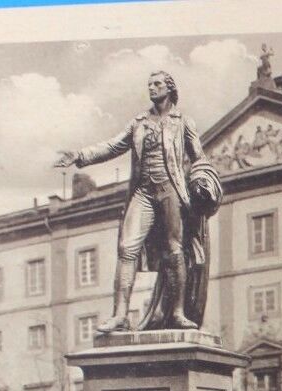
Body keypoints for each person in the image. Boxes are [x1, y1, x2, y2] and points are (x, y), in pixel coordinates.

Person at [55, 70, 222, 332]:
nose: (151, 88)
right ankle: (120, 314)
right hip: (143, 192)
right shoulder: (139, 123)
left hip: (171, 190)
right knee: (126, 248)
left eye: (157, 84)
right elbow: (112, 146)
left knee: (175, 249)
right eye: (149, 84)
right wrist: (79, 156)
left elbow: (198, 157)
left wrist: (201, 181)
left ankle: (178, 313)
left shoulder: (183, 122)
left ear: (169, 88)